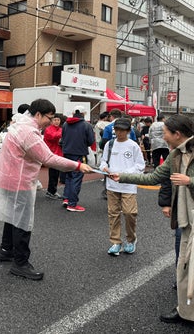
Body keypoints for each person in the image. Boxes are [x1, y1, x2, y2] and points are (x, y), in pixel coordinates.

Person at [0, 99, 93, 280]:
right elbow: (48, 158)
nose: (50, 122)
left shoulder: (19, 125)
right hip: (20, 181)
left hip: (7, 178)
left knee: (12, 216)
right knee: (22, 221)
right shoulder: (29, 132)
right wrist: (77, 165)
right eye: (49, 118)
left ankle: (5, 249)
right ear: (38, 114)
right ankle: (20, 263)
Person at [109, 114, 194, 324]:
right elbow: (154, 177)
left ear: (177, 134)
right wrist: (122, 176)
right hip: (185, 218)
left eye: (165, 132)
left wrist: (189, 180)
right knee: (184, 265)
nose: (162, 137)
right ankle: (185, 311)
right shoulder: (175, 154)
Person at [99, 118, 145, 256]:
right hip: (112, 185)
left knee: (129, 212)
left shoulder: (133, 145)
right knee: (113, 213)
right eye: (117, 130)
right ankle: (116, 242)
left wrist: (124, 174)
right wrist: (104, 168)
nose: (119, 132)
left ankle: (131, 239)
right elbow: (103, 161)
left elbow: (140, 166)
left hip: (128, 185)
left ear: (128, 131)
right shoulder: (110, 144)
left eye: (122, 130)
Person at [61, 106, 95, 212]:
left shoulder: (65, 124)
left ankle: (66, 198)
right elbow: (91, 141)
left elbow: (62, 138)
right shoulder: (86, 125)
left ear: (73, 113)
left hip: (67, 153)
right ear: (84, 114)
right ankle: (72, 203)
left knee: (69, 177)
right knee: (76, 178)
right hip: (79, 153)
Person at [43, 113, 65, 200]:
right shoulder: (48, 129)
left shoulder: (60, 129)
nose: (56, 121)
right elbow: (53, 136)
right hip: (52, 154)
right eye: (55, 120)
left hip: (57, 154)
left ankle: (52, 191)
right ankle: (51, 191)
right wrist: (63, 132)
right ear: (51, 121)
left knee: (55, 174)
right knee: (53, 174)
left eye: (58, 120)